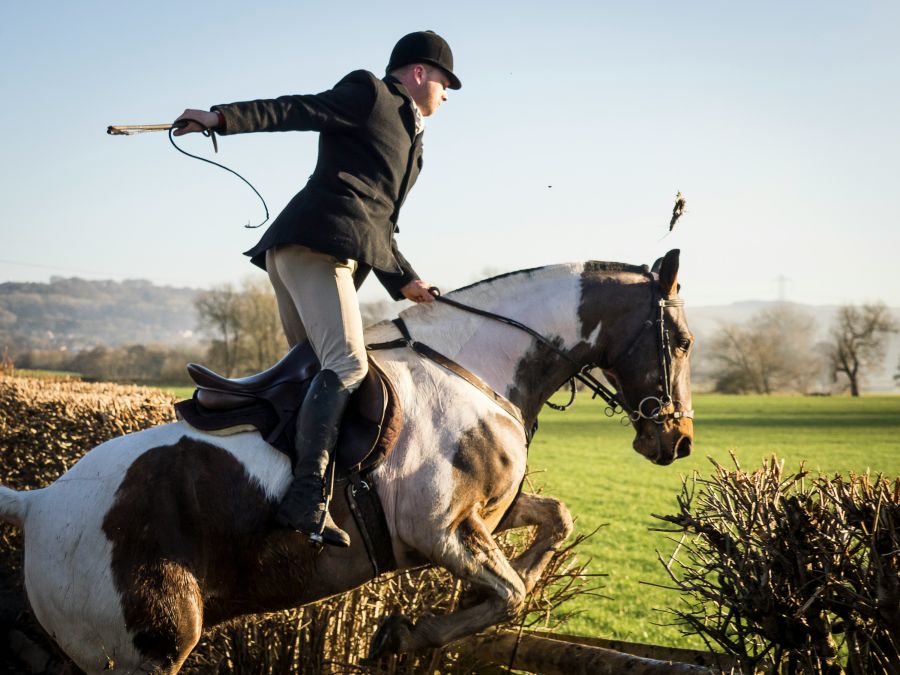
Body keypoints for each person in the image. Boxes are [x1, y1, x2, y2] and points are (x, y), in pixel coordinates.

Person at [174, 31, 461, 548]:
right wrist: (220, 118)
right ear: (419, 73)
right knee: (347, 366)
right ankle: (307, 498)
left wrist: (406, 279)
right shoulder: (370, 92)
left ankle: (263, 485)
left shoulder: (412, 139)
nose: (447, 92)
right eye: (446, 81)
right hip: (316, 249)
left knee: (312, 369)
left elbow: (378, 223)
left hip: (312, 250)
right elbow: (297, 108)